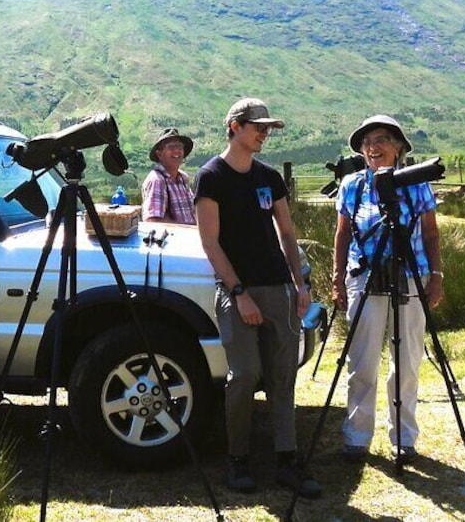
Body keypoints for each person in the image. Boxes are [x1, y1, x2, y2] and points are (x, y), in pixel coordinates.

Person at [193, 97, 321, 497]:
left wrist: (298, 285)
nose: (265, 134)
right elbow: (210, 242)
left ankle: (287, 461)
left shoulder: (269, 177)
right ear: (235, 126)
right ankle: (237, 460)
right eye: (258, 127)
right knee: (244, 374)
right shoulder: (211, 177)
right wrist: (239, 294)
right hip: (238, 292)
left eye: (268, 128)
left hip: (278, 290)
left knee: (283, 376)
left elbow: (286, 233)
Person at [331, 114, 444, 464]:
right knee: (362, 359)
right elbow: (343, 233)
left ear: (397, 148)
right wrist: (337, 278)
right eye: (367, 142)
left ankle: (404, 438)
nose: (372, 146)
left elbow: (429, 233)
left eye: (380, 139)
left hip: (410, 275)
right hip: (363, 275)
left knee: (408, 360)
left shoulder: (416, 184)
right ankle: (357, 437)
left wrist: (436, 276)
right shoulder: (353, 185)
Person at [141, 127, 196, 224]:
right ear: (159, 154)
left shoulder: (183, 178)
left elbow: (193, 212)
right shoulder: (157, 180)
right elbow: (153, 220)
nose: (177, 151)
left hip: (191, 236)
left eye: (179, 147)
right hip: (173, 238)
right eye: (171, 147)